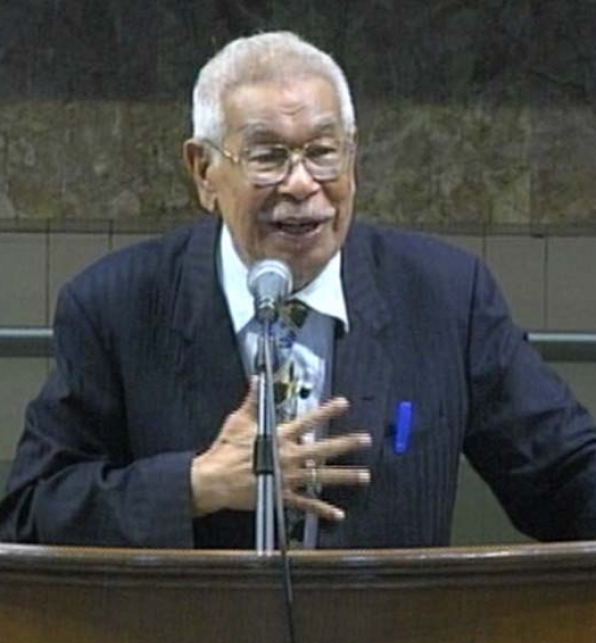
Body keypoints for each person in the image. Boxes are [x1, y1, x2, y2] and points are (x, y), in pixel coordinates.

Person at [2, 31, 596, 549]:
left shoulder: (444, 295)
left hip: (386, 637)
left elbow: (565, 474)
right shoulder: (116, 306)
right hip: (192, 638)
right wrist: (195, 485)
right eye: (268, 157)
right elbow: (31, 513)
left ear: (353, 158)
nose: (302, 183)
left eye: (322, 152)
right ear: (204, 172)